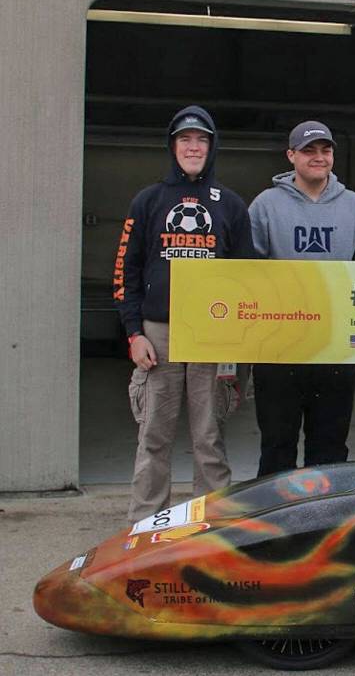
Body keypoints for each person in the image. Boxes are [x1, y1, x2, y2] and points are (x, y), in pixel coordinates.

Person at [113, 105, 254, 522]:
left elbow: (247, 277)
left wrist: (237, 340)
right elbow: (126, 271)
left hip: (212, 334)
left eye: (202, 140)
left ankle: (212, 525)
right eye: (185, 140)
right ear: (172, 146)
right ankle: (143, 525)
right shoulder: (147, 200)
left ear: (212, 147)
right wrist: (135, 333)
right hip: (160, 333)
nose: (193, 147)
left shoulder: (230, 205)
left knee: (209, 436)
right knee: (153, 435)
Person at [248, 120, 355, 477]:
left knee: (331, 446)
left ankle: (322, 525)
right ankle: (276, 526)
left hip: (335, 346)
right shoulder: (265, 206)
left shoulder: (354, 206)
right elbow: (247, 271)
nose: (319, 157)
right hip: (279, 348)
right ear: (291, 156)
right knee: (277, 444)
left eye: (326, 150)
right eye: (309, 150)